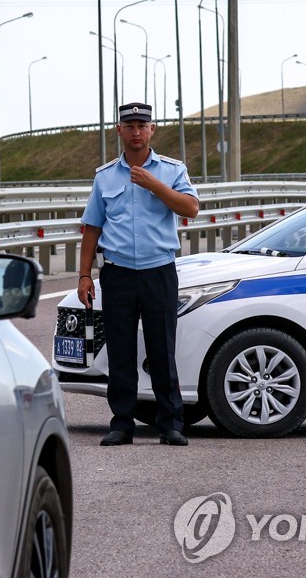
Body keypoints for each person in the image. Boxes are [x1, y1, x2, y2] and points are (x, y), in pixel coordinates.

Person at [78, 102, 200, 447]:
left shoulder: (172, 170)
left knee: (162, 348)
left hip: (158, 270)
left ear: (152, 130)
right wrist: (84, 275)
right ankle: (121, 423)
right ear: (119, 129)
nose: (135, 131)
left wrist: (152, 184)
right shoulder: (105, 177)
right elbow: (91, 228)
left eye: (141, 125)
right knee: (120, 350)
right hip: (117, 273)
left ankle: (170, 423)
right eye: (129, 125)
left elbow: (190, 208)